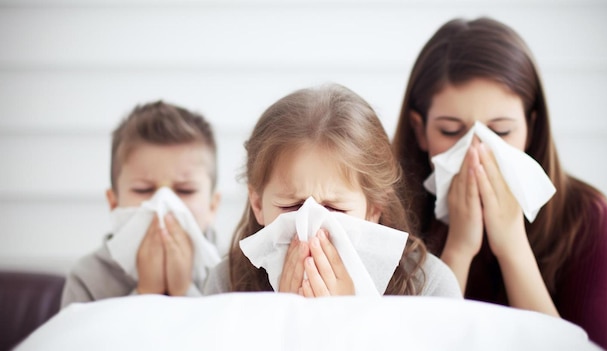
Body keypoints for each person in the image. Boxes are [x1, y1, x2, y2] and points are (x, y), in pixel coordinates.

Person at [391, 17, 607, 348]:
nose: (477, 151)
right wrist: (459, 249)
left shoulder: (586, 216)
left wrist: (511, 245)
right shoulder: (393, 209)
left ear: (530, 126)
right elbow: (409, 342)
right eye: (451, 131)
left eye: (500, 132)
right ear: (420, 129)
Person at [203, 83, 461, 298]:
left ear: (373, 209)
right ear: (258, 204)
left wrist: (345, 316)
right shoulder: (227, 285)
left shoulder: (428, 286)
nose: (311, 228)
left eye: (334, 209)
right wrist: (284, 315)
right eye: (291, 206)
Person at [61, 100, 221, 307]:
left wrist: (183, 292)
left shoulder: (230, 273)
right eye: (143, 190)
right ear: (114, 202)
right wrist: (145, 292)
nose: (164, 205)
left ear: (212, 206)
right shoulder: (87, 278)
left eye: (185, 190)